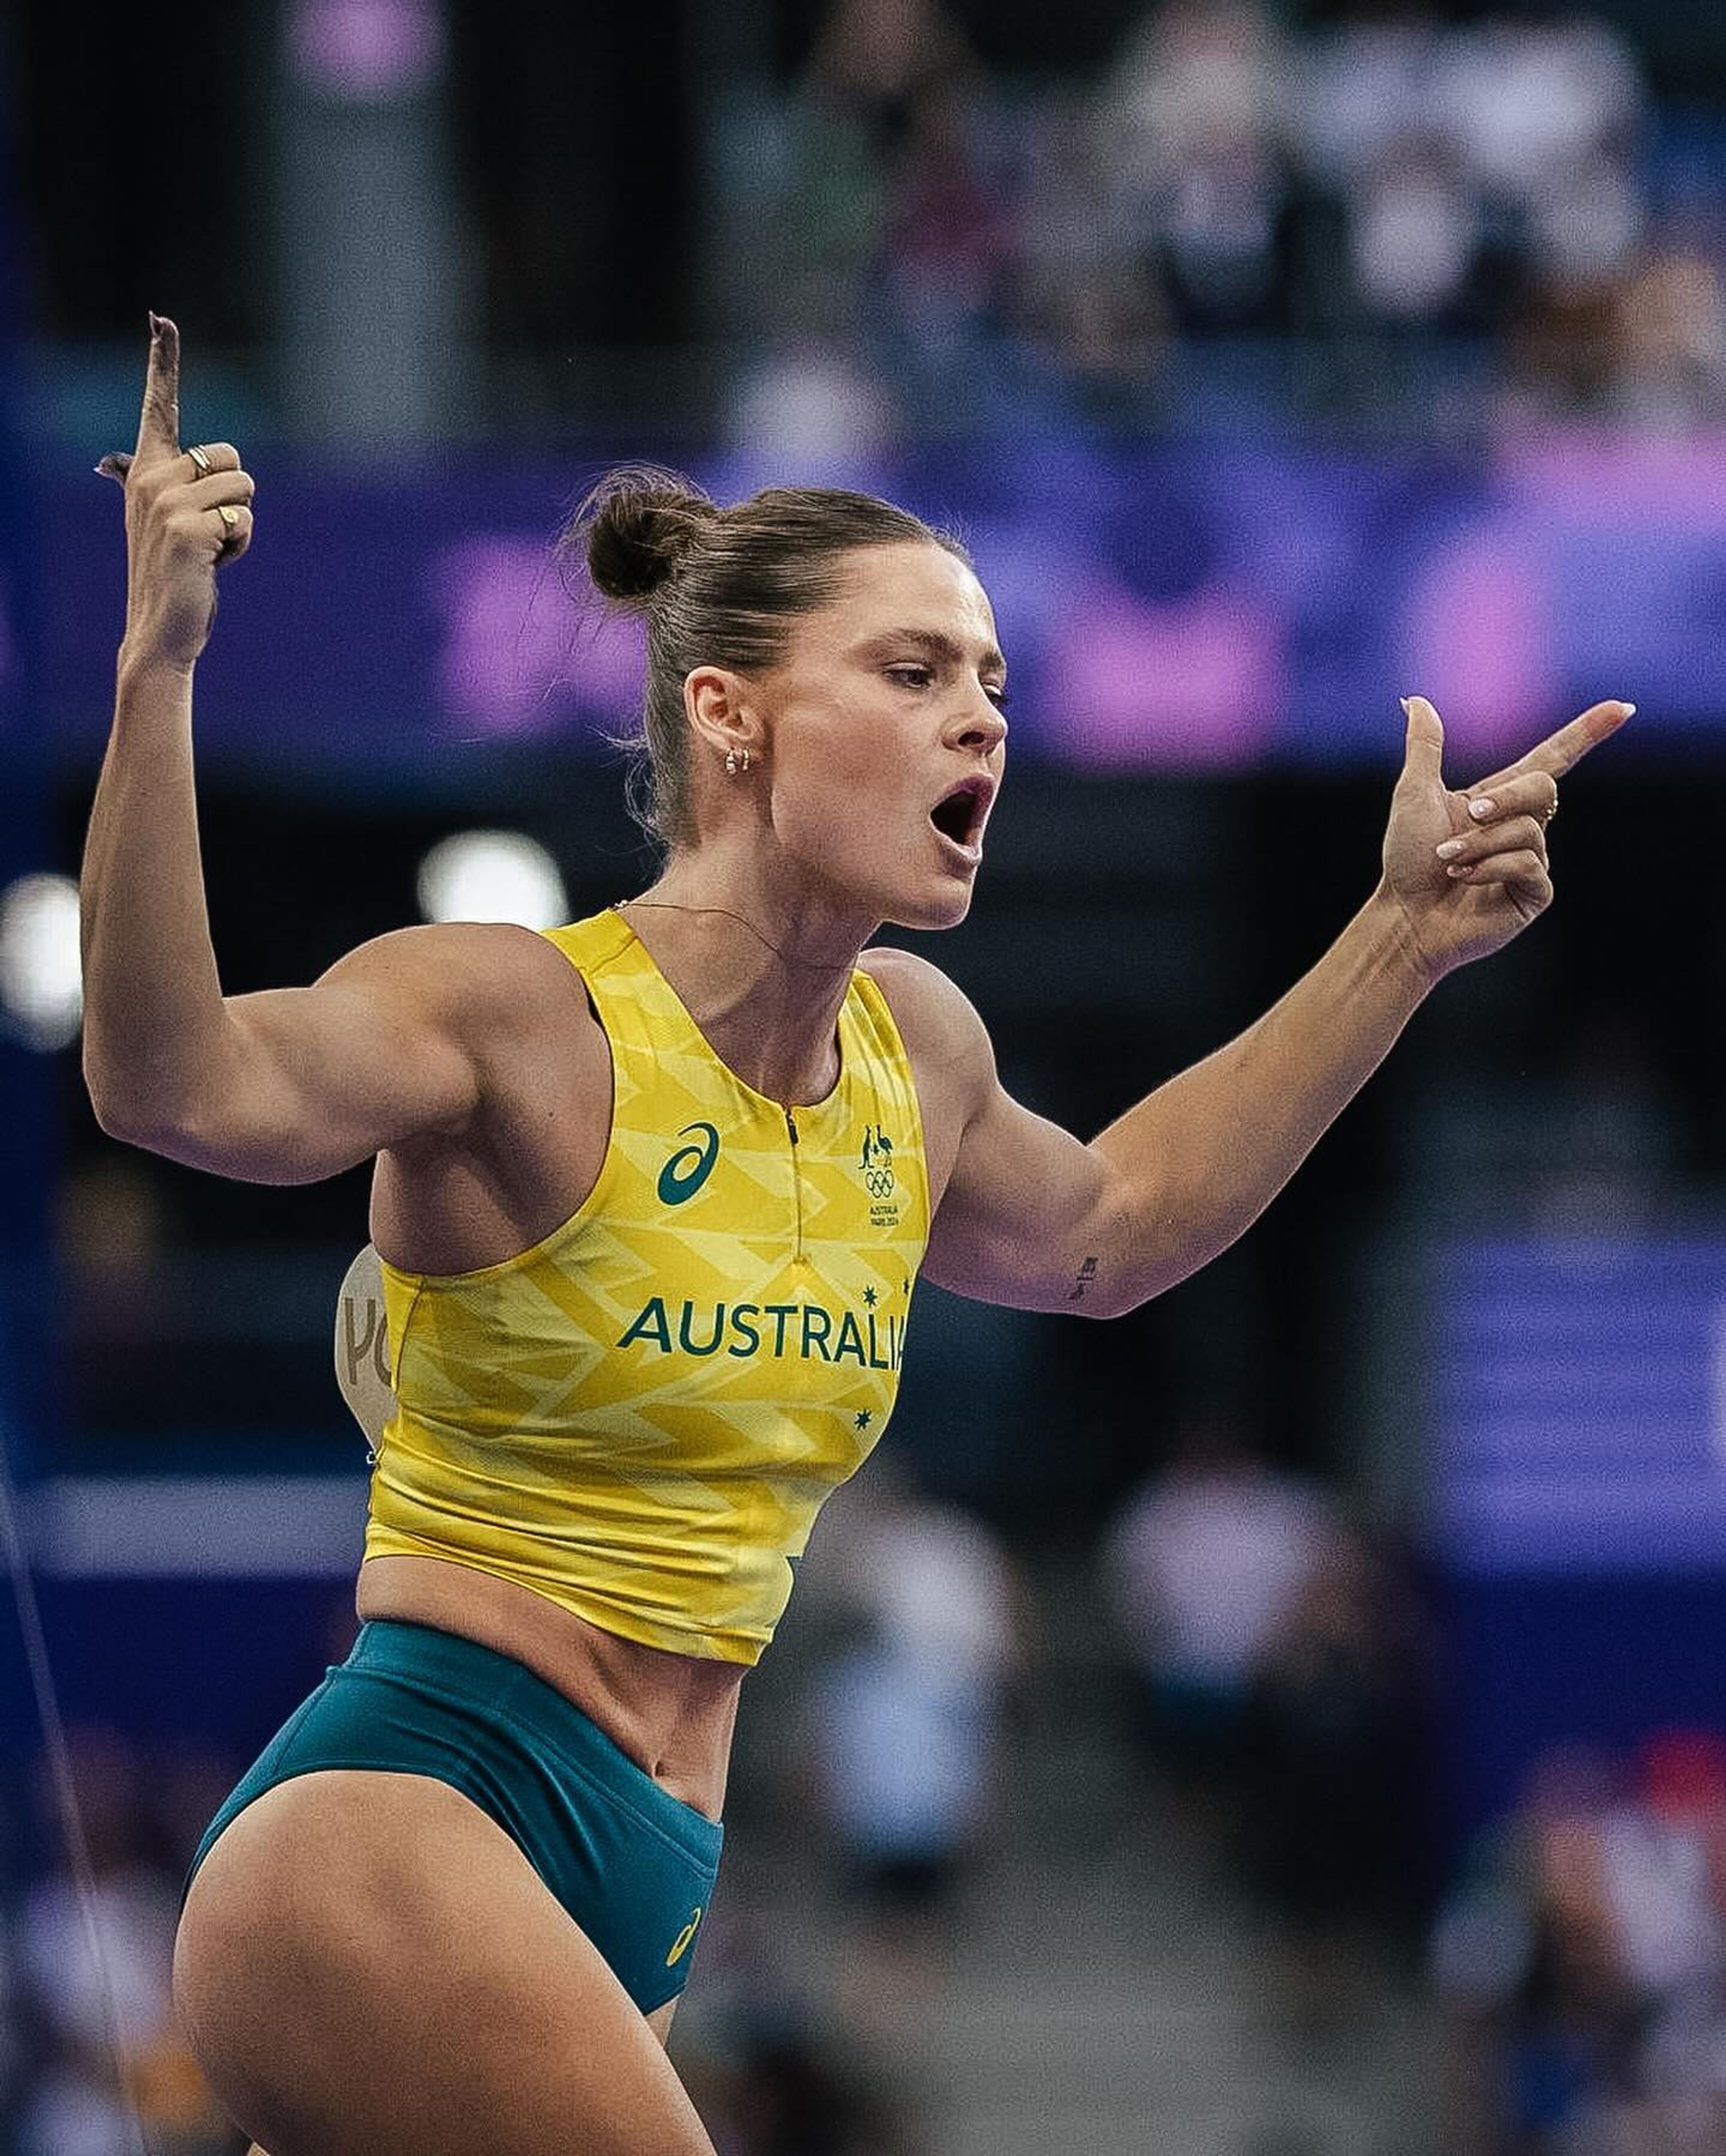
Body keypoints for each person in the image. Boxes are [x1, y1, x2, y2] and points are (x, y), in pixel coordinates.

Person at [82, 315, 1627, 2156]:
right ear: (725, 711)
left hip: (633, 1874)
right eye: (910, 671)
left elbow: (1113, 1233)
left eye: (988, 676)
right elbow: (175, 1084)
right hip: (408, 1822)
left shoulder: (918, 1053)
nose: (983, 712)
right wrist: (157, 663)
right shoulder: (518, 1016)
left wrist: (1399, 944)